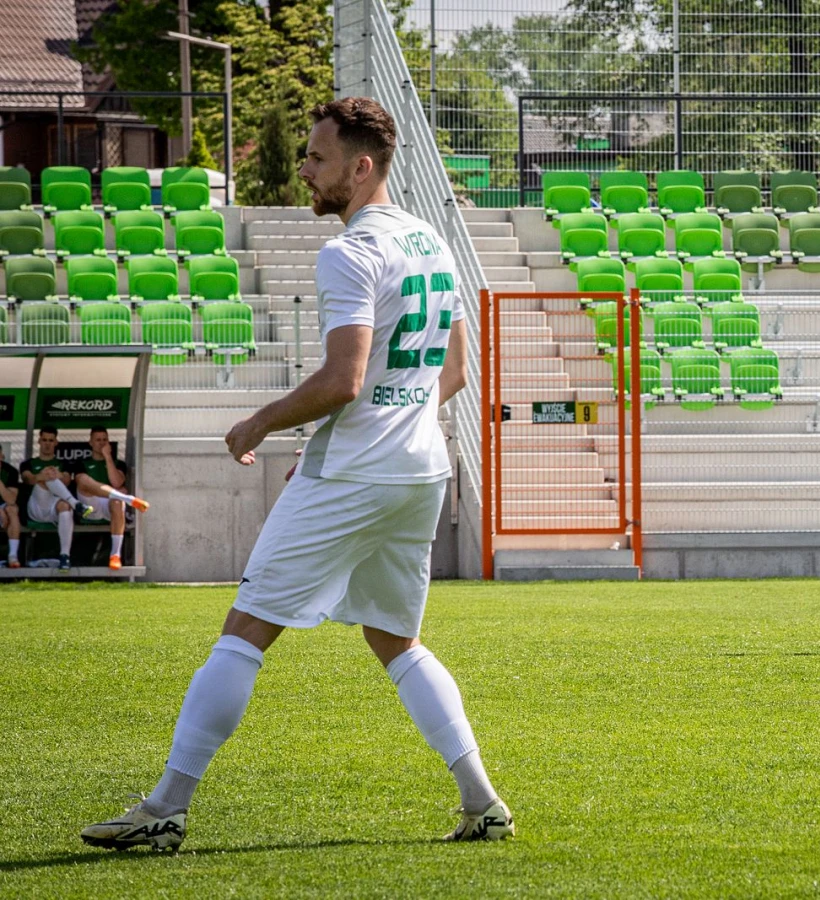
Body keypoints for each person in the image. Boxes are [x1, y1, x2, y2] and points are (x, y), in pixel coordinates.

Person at [81, 96, 511, 852]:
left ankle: (166, 809)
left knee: (245, 630)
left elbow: (343, 380)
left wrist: (259, 424)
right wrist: (374, 430)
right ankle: (483, 802)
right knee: (397, 640)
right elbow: (453, 374)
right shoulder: (433, 243)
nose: (304, 169)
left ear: (362, 166)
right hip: (419, 471)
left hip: (357, 472)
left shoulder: (350, 252)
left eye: (317, 157)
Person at [70, 426, 150, 571]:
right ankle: (127, 498)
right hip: (90, 506)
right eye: (98, 440)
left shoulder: (118, 464)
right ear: (90, 443)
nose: (101, 443)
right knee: (84, 480)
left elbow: (117, 482)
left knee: (118, 501)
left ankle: (115, 555)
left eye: (104, 440)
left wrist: (107, 457)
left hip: (109, 507)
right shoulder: (82, 463)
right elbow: (82, 484)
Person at [20, 426, 92, 573]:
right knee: (46, 478)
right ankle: (76, 504)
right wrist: (45, 475)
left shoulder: (63, 464)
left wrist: (56, 475)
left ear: (56, 442)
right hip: (36, 508)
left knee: (65, 506)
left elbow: (67, 480)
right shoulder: (28, 463)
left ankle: (65, 556)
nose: (47, 444)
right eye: (44, 440)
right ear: (39, 441)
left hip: (55, 507)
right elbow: (29, 479)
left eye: (51, 440)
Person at [0, 444, 20, 567]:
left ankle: (12, 555)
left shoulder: (10, 471)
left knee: (12, 509)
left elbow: (11, 499)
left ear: (2, 456)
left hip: (4, 506)